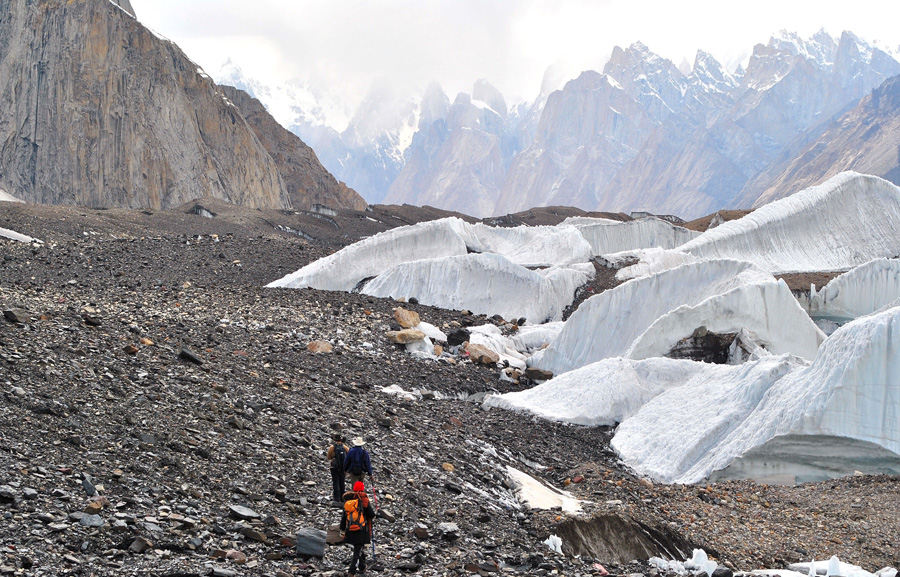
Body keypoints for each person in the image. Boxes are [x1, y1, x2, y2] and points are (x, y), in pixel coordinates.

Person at [340, 480, 375, 576]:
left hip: (350, 530)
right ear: (362, 488)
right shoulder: (364, 499)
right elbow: (371, 514)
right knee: (357, 550)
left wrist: (342, 530)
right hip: (361, 530)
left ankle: (362, 566)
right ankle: (351, 571)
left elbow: (344, 517)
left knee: (358, 548)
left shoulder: (348, 501)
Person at [326, 433, 348, 503]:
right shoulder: (345, 447)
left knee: (335, 482)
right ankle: (342, 497)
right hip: (343, 468)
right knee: (342, 482)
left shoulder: (332, 448)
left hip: (334, 467)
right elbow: (348, 456)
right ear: (341, 440)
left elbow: (329, 457)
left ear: (335, 440)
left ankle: (336, 498)